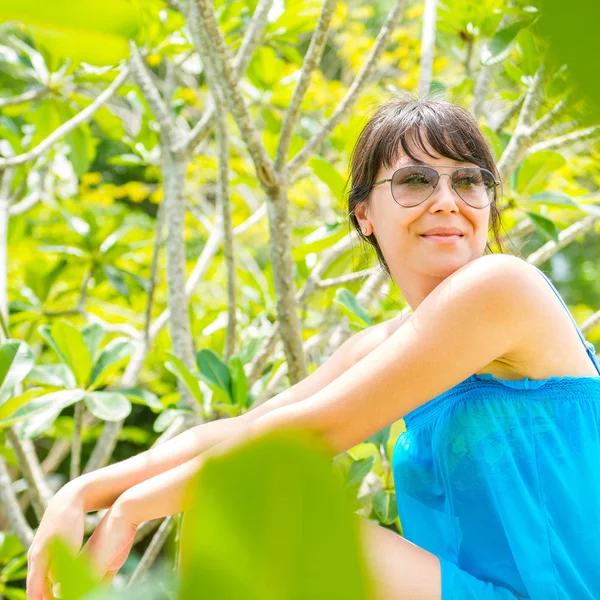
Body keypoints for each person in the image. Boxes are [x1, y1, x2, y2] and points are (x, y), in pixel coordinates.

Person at [26, 95, 600, 600]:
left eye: (469, 180)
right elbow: (250, 427)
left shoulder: (502, 287)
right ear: (363, 215)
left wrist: (130, 509)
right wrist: (81, 492)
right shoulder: (386, 342)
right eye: (416, 181)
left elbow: (310, 433)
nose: (448, 200)